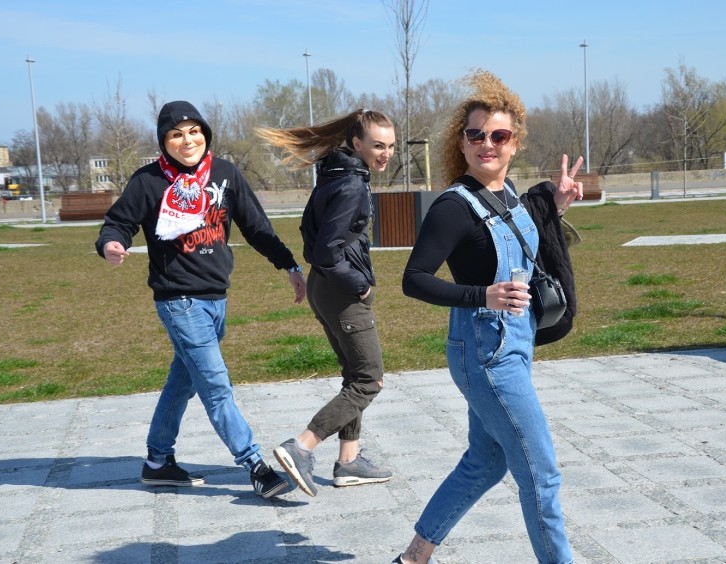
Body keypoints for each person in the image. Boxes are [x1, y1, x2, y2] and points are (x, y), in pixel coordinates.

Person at [396, 71, 583, 564]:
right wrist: (484, 295)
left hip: (514, 349)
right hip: (486, 353)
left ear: (514, 143)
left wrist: (556, 203)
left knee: (485, 461)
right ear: (461, 142)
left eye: (498, 136)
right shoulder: (452, 209)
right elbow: (413, 279)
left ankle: (414, 556)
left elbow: (525, 238)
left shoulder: (508, 194)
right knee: (541, 474)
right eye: (475, 135)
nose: (486, 144)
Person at [95, 100, 306, 499]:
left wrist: (289, 265)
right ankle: (255, 466)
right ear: (164, 141)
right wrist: (111, 244)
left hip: (215, 298)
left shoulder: (224, 174)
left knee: (183, 381)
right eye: (176, 134)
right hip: (179, 301)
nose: (186, 139)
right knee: (214, 384)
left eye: (193, 131)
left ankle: (158, 462)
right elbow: (118, 222)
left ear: (205, 134)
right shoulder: (148, 181)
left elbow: (257, 227)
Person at [255, 109, 396, 497]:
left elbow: (309, 232)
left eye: (391, 146)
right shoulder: (351, 184)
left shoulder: (335, 176)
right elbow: (327, 250)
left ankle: (348, 461)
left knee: (355, 374)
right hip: (340, 291)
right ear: (357, 143)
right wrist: (360, 285)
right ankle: (300, 448)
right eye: (378, 145)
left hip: (324, 287)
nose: (386, 153)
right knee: (370, 379)